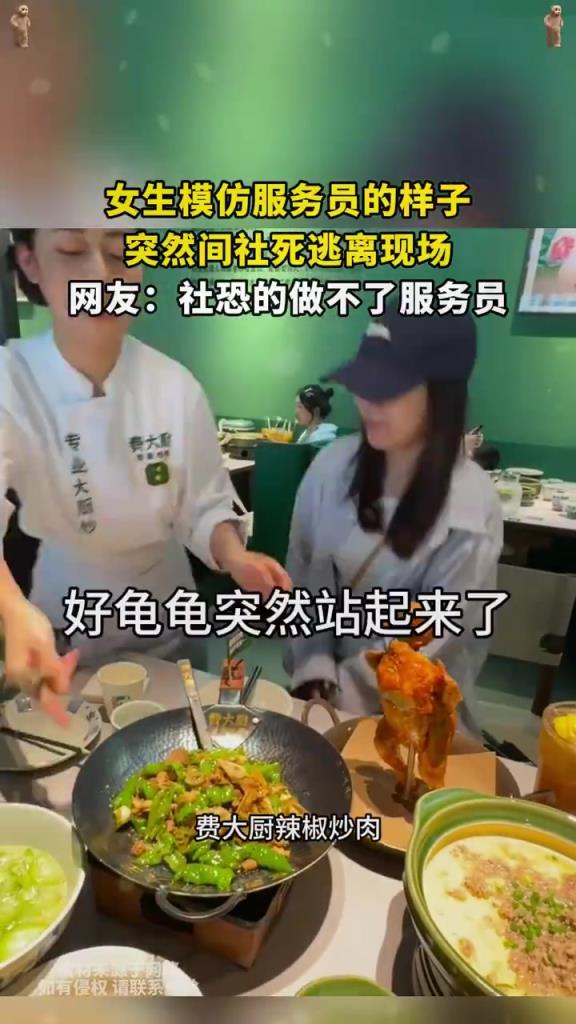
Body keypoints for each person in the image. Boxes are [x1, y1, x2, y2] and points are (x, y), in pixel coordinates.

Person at [1, 229, 291, 702]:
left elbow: (204, 503)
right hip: (63, 628)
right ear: (30, 262)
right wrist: (12, 608)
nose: (101, 275)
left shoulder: (173, 384)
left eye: (120, 252)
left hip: (166, 626)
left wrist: (236, 556)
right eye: (72, 250)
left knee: (179, 738)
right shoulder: (13, 380)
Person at [284, 306, 503, 736]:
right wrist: (314, 673)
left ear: (440, 394)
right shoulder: (331, 468)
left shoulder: (470, 505)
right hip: (320, 704)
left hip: (416, 725)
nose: (368, 402)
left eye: (391, 388)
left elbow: (433, 643)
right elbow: (303, 578)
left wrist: (341, 698)